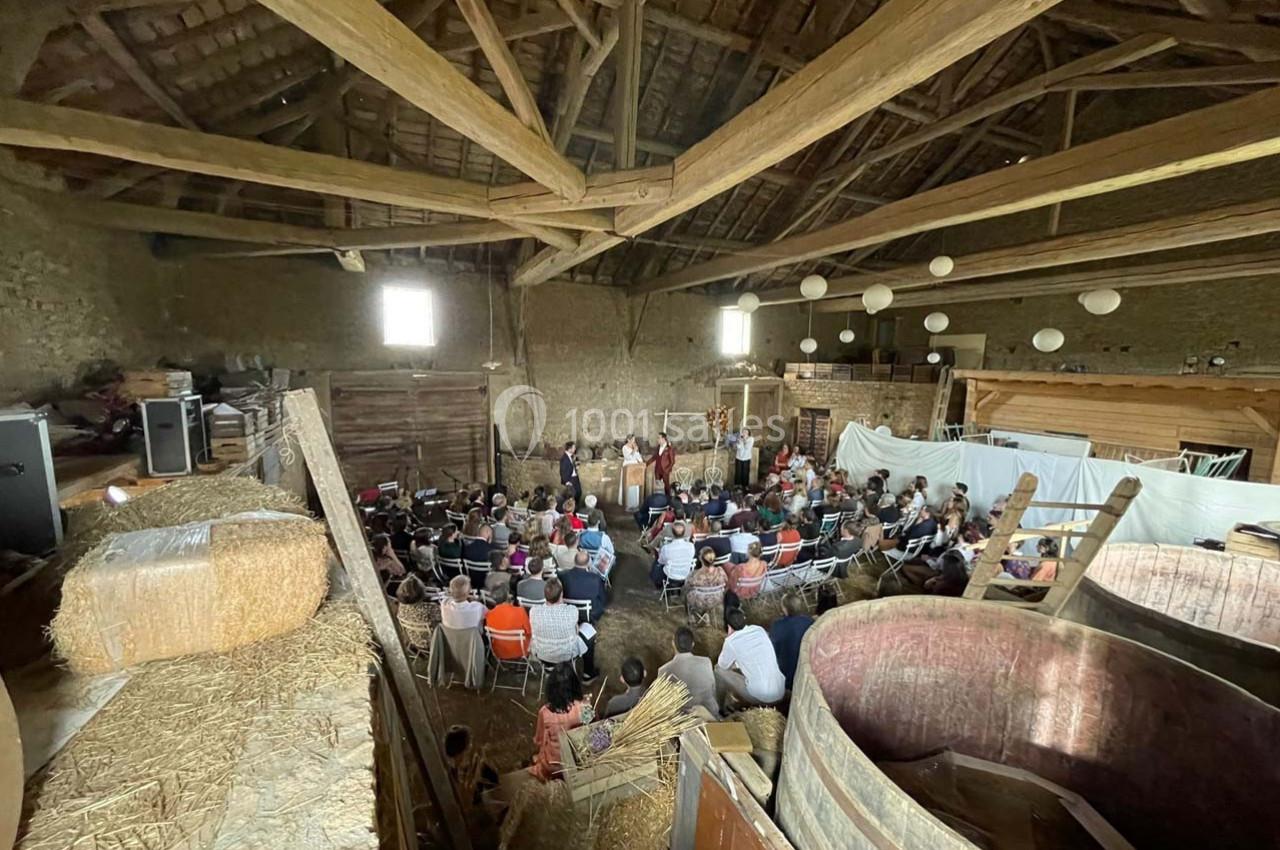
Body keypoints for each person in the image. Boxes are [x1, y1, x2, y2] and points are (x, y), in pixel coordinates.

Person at [529, 662, 593, 781]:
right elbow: (593, 729)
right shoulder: (585, 707)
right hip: (578, 759)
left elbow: (539, 739)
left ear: (551, 688)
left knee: (537, 757)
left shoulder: (545, 712)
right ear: (575, 685)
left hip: (554, 764)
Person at [530, 578, 600, 681]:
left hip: (543, 654)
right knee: (589, 631)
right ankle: (588, 673)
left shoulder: (534, 611)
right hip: (567, 654)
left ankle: (550, 667)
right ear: (561, 594)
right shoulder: (571, 610)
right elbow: (576, 632)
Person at [716, 608, 786, 707]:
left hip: (761, 697)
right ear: (744, 618)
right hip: (780, 690)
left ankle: (720, 708)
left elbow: (722, 665)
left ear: (729, 626)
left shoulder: (730, 642)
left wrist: (729, 636)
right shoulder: (759, 629)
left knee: (718, 670)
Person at [657, 627, 720, 716]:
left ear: (673, 644)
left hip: (681, 720)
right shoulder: (706, 662)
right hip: (709, 715)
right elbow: (713, 689)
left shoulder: (663, 671)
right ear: (693, 644)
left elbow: (662, 702)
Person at [769, 593, 814, 691]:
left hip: (787, 675)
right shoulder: (810, 622)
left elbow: (773, 651)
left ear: (785, 609)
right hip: (808, 670)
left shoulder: (777, 626)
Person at [561, 550, 608, 622]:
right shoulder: (596, 579)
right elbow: (602, 599)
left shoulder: (563, 576)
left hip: (566, 611)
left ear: (574, 560)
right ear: (588, 563)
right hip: (590, 614)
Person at [485, 585, 531, 659]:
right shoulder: (520, 611)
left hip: (499, 651)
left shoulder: (489, 615)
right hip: (521, 650)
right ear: (507, 596)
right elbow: (529, 632)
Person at [686, 546, 727, 619]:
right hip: (717, 600)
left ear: (701, 559)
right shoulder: (720, 571)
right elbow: (726, 582)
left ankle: (692, 618)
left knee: (684, 592)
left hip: (700, 601)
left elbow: (687, 585)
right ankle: (706, 614)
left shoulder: (695, 575)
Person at [652, 521, 695, 588]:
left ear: (673, 533)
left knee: (657, 565)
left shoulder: (666, 548)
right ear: (684, 533)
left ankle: (658, 584)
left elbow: (661, 561)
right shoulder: (691, 546)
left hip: (670, 576)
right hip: (686, 575)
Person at [578, 510, 615, 579]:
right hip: (599, 569)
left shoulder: (580, 535)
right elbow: (611, 552)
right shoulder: (604, 537)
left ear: (587, 521)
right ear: (598, 522)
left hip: (584, 565)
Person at [646, 431, 676, 496]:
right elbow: (655, 457)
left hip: (665, 470)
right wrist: (646, 463)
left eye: (658, 438)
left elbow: (672, 461)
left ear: (663, 439)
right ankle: (659, 498)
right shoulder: (658, 447)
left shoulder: (669, 449)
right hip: (657, 470)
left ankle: (668, 499)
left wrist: (667, 470)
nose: (657, 439)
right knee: (657, 485)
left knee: (666, 486)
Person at [620, 434, 645, 509]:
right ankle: (628, 504)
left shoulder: (635, 447)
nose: (634, 441)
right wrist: (634, 450)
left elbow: (638, 456)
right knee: (628, 486)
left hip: (636, 468)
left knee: (635, 484)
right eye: (633, 440)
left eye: (634, 440)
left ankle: (635, 504)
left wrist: (642, 462)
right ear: (628, 439)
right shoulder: (624, 447)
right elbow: (628, 457)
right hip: (628, 467)